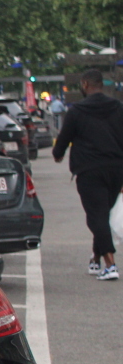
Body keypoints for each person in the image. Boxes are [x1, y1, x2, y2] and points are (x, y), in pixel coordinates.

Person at [52, 69, 123, 281]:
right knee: (102, 213)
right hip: (116, 169)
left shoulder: (77, 111)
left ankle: (110, 265)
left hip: (89, 170)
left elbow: (64, 138)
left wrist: (58, 154)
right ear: (101, 85)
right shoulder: (118, 108)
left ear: (84, 84)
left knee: (96, 216)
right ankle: (95, 259)